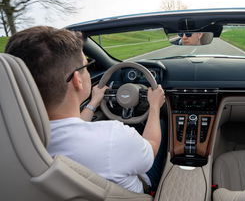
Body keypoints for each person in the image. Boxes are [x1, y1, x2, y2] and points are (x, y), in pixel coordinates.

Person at [5, 26, 165, 194]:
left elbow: (71, 128)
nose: (88, 71)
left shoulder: (13, 140)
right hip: (134, 195)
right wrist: (154, 107)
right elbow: (152, 147)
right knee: (161, 123)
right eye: (86, 66)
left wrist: (94, 102)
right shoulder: (114, 136)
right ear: (77, 80)